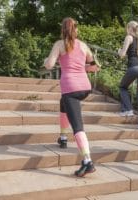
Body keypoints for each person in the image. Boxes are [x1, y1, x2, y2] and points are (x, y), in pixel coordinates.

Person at [44, 17, 99, 177]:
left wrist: (47, 59)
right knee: (63, 104)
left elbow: (49, 65)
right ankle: (62, 137)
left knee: (78, 127)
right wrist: (84, 67)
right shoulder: (83, 45)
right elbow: (94, 66)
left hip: (71, 89)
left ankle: (88, 162)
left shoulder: (59, 45)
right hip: (85, 87)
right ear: (76, 29)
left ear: (63, 30)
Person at [118, 21, 138, 129]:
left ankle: (128, 109)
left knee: (122, 87)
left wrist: (119, 51)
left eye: (127, 28)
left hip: (133, 68)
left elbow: (122, 54)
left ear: (130, 28)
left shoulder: (129, 37)